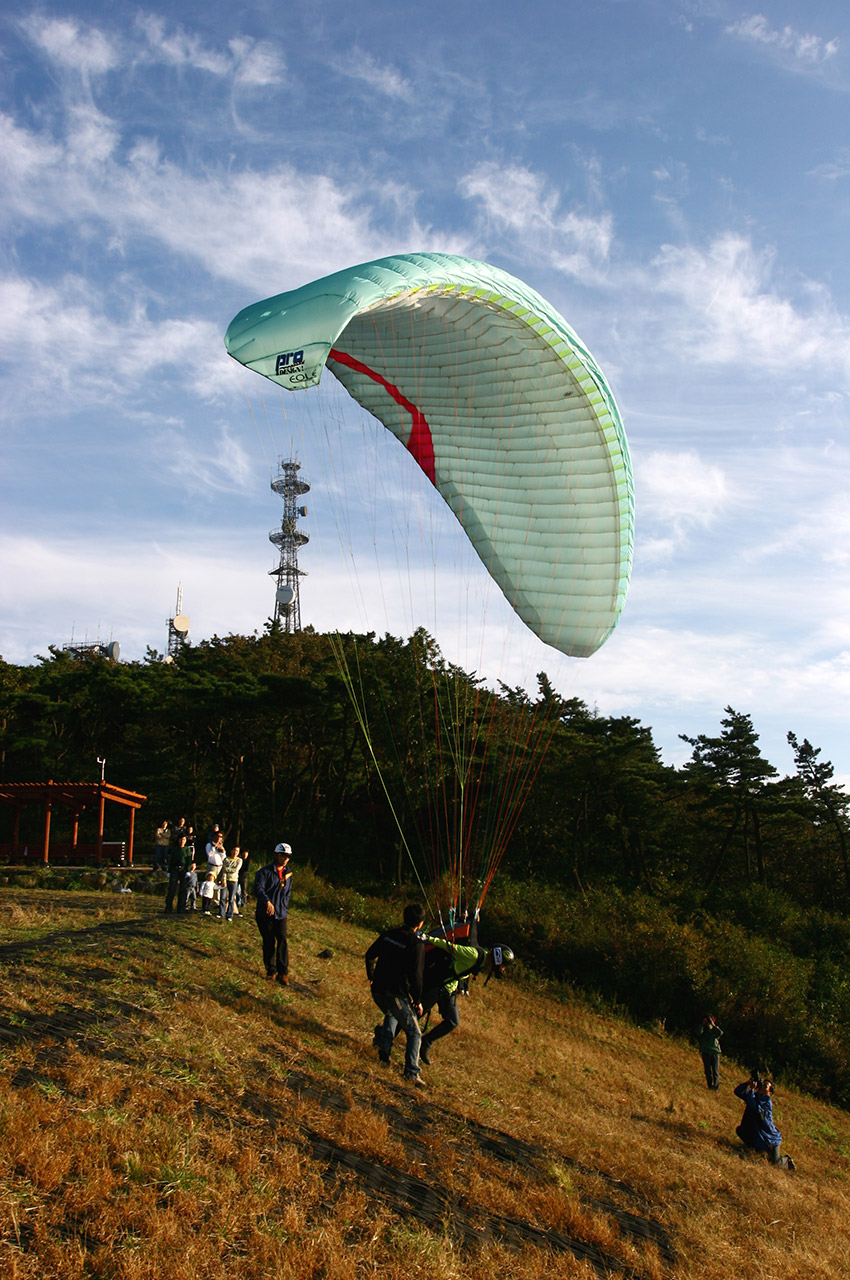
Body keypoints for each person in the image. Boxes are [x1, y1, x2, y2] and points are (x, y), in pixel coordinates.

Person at [419, 936, 514, 1066]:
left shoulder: (483, 962)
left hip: (449, 990)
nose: (503, 969)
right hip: (439, 985)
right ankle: (385, 1036)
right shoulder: (474, 955)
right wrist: (428, 939)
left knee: (452, 1021)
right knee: (416, 1013)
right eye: (503, 965)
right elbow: (451, 947)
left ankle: (425, 1043)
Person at [365, 904, 427, 1088]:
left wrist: (371, 976)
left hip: (378, 991)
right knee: (415, 1032)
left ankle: (384, 1049)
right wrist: (418, 1001)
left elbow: (369, 955)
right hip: (395, 995)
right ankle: (411, 1072)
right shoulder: (416, 945)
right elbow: (417, 978)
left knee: (392, 1013)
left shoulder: (388, 935)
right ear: (420, 923)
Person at [733, 1077, 796, 1170]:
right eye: (762, 1085)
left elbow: (754, 1108)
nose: (762, 1087)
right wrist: (747, 1083)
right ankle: (756, 1149)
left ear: (769, 1092)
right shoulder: (754, 1096)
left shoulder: (766, 1102)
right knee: (740, 1131)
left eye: (765, 1086)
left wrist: (751, 1090)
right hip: (758, 1136)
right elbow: (738, 1091)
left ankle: (787, 1161)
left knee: (775, 1163)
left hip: (771, 1139)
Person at [254, 843, 294, 984]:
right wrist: (267, 902)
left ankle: (283, 973)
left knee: (282, 940)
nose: (285, 859)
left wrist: (284, 908)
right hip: (265, 913)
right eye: (283, 856)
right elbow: (258, 889)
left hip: (281, 913)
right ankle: (271, 970)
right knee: (269, 941)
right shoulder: (264, 872)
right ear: (277, 855)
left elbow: (287, 894)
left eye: (288, 856)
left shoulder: (288, 874)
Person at [696, 1015, 724, 1090]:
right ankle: (710, 1086)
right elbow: (698, 1033)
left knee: (715, 1071)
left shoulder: (714, 1029)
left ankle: (716, 1087)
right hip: (706, 1051)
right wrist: (703, 1024)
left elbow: (720, 1033)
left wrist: (713, 1024)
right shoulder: (703, 1029)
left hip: (715, 1051)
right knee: (707, 1071)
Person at [165, 835, 190, 913]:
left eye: (184, 839)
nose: (182, 841)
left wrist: (188, 870)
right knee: (172, 889)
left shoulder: (187, 850)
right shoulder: (175, 849)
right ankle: (168, 907)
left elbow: (189, 860)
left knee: (183, 889)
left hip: (183, 870)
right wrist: (169, 871)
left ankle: (181, 907)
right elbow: (171, 860)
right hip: (175, 869)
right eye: (181, 839)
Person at [219, 847, 243, 921]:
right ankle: (222, 913)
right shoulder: (226, 859)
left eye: (237, 851)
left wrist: (227, 869)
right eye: (234, 850)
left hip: (234, 880)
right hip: (226, 880)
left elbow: (235, 870)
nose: (235, 852)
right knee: (222, 897)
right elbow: (223, 871)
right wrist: (224, 880)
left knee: (231, 898)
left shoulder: (239, 860)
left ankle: (230, 915)